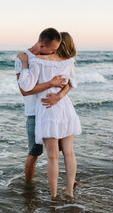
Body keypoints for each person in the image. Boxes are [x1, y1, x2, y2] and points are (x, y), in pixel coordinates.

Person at [17, 32, 82, 198]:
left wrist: (25, 64)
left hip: (47, 108)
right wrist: (57, 91)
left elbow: (26, 84)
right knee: (69, 152)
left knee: (52, 156)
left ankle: (54, 196)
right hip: (65, 108)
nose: (54, 51)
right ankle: (69, 191)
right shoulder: (69, 62)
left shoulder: (36, 60)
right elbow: (72, 83)